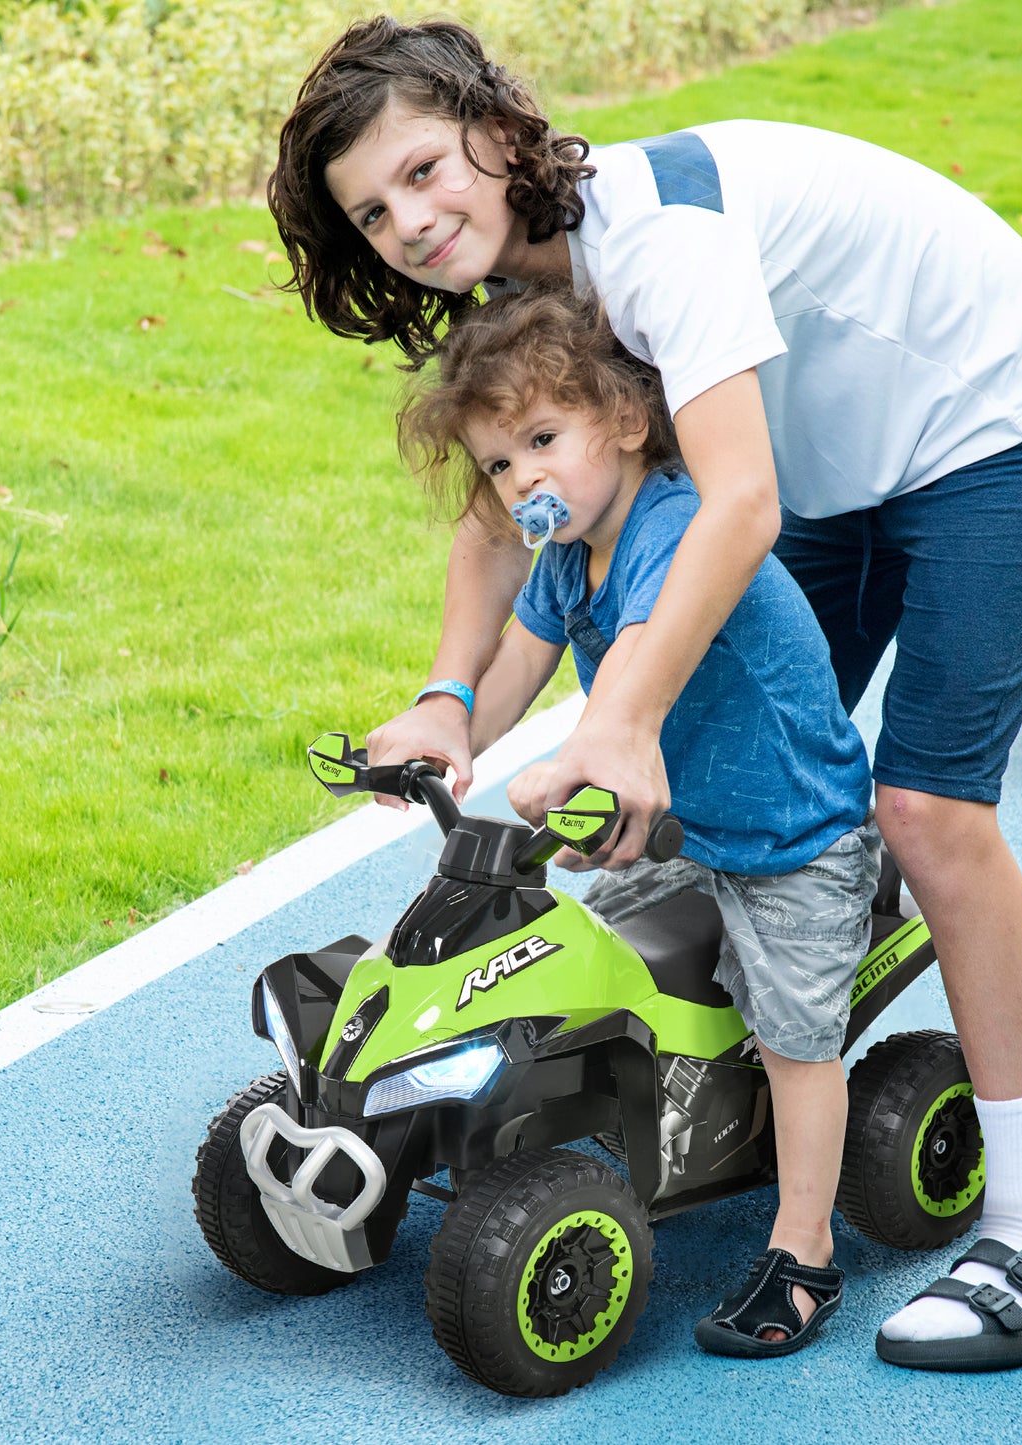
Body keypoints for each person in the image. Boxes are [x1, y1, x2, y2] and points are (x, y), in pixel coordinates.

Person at [268, 15, 1022, 1371]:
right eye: (373, 212)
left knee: (921, 808)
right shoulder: (516, 292)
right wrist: (445, 698)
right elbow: (510, 519)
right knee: (741, 750)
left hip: (996, 421)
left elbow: (737, 501)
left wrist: (619, 717)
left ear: (498, 131)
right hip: (840, 460)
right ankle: (723, 1079)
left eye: (424, 170)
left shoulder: (656, 241)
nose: (409, 222)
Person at [398, 282, 879, 1357]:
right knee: (596, 957)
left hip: (790, 837)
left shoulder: (668, 523)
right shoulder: (566, 550)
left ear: (621, 420)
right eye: (497, 462)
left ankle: (803, 1250)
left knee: (796, 1033)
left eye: (540, 438)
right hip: (682, 832)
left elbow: (628, 669)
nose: (522, 477)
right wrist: (450, 723)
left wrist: (576, 761)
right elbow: (517, 660)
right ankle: (656, 1125)